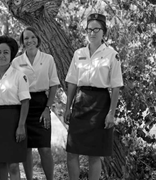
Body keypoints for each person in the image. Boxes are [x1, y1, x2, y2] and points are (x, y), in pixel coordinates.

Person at [63, 13, 123, 180]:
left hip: (100, 104)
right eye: (89, 29)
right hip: (81, 101)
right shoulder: (78, 53)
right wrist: (68, 107)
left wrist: (111, 113)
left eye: (97, 29)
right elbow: (72, 82)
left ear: (104, 32)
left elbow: (116, 86)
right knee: (71, 151)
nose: (92, 32)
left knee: (94, 154)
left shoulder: (112, 54)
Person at [12, 26, 60, 180]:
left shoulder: (48, 59)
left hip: (41, 104)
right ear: (22, 41)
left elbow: (54, 85)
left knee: (45, 149)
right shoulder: (17, 62)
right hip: (22, 105)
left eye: (32, 37)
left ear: (38, 39)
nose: (30, 40)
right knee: (26, 148)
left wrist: (47, 108)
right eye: (26, 38)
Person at [0, 36, 30, 180]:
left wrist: (21, 126)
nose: (1, 55)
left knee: (13, 164)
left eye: (6, 52)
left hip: (14, 119)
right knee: (1, 162)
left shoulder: (19, 76)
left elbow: (25, 102)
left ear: (12, 55)